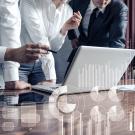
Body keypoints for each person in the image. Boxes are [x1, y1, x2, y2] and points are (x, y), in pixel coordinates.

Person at [19, 0, 82, 85]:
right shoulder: (30, 1)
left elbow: (54, 47)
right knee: (14, 96)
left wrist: (64, 28)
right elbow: (40, 40)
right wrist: (51, 76)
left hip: (41, 65)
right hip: (20, 64)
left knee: (38, 97)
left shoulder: (68, 11)